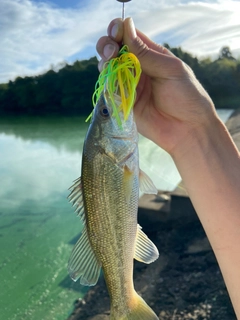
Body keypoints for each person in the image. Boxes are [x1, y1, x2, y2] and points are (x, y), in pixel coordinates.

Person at [96, 17, 240, 318]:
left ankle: (124, 302)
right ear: (106, 148)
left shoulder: (117, 155)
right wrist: (194, 131)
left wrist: (193, 130)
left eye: (104, 111)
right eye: (107, 112)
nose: (110, 106)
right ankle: (125, 302)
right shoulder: (117, 156)